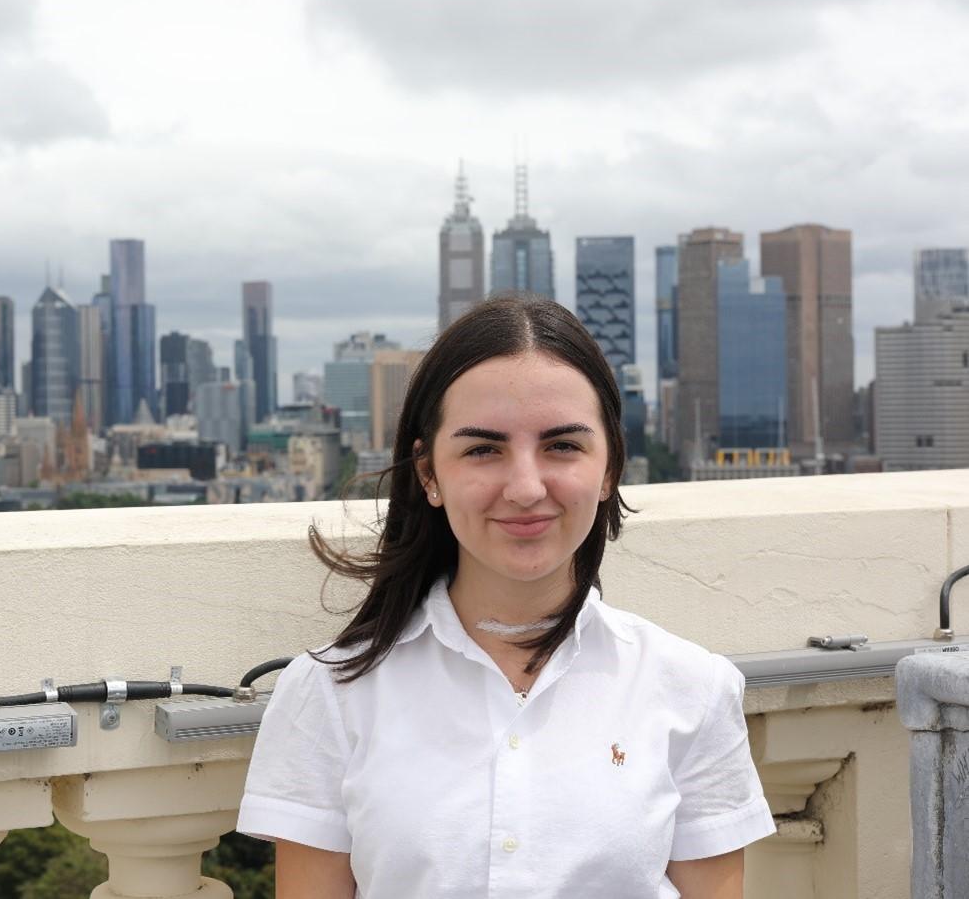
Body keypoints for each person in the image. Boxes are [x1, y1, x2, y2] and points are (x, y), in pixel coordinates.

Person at [236, 295, 775, 898]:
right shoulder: (328, 694)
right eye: (483, 449)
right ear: (429, 474)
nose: (525, 487)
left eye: (562, 446)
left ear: (609, 467)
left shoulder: (691, 688)